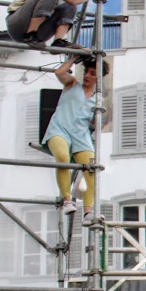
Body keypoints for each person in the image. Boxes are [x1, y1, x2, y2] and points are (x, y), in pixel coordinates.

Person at [42, 56, 107, 219]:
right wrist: (74, 58)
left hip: (80, 135)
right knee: (63, 157)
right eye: (86, 72)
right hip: (60, 128)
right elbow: (59, 72)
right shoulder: (72, 85)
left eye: (92, 73)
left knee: (91, 167)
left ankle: (88, 210)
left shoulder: (97, 98)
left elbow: (97, 123)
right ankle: (67, 200)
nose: (87, 76)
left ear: (99, 78)